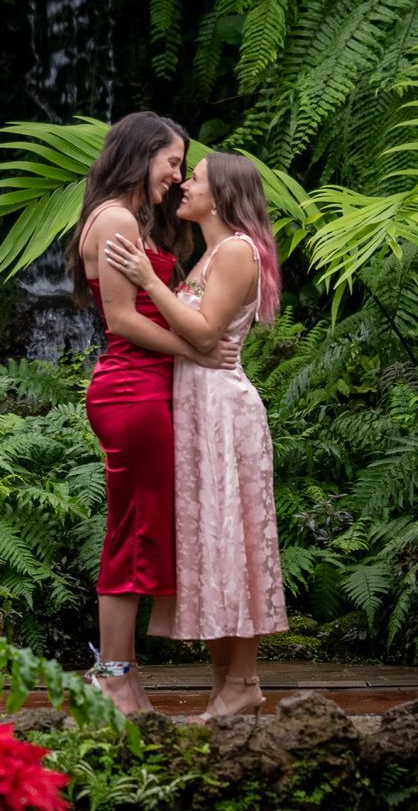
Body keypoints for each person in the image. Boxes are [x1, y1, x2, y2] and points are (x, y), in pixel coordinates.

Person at [106, 152, 287, 723]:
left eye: (197, 178)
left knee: (234, 544)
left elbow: (207, 334)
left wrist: (144, 282)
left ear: (222, 195)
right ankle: (227, 690)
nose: (184, 184)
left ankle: (244, 682)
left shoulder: (235, 251)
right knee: (214, 545)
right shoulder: (211, 252)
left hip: (223, 412)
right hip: (198, 410)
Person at [77, 111, 189, 715]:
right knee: (131, 533)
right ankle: (111, 676)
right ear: (142, 153)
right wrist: (198, 350)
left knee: (138, 530)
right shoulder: (116, 217)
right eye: (172, 161)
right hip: (132, 390)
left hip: (144, 388)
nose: (177, 175)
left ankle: (123, 676)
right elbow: (122, 320)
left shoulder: (125, 216)